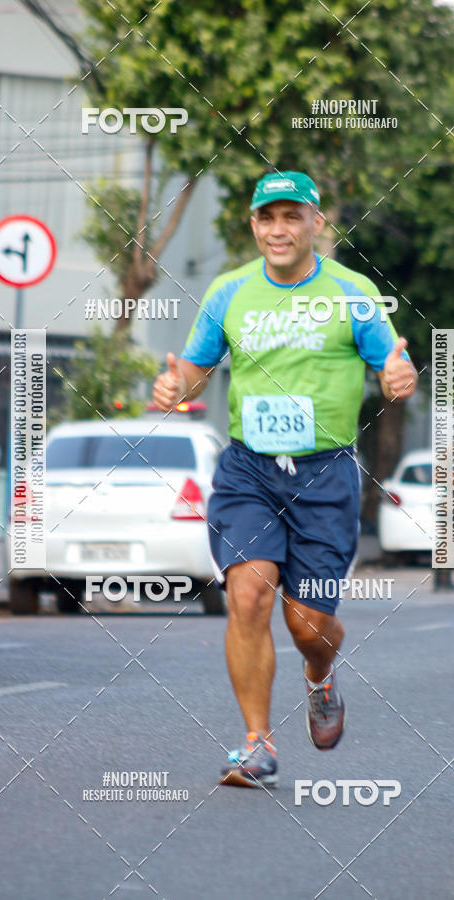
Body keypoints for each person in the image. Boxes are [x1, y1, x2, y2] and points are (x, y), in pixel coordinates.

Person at [152, 171, 417, 788]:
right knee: (247, 595)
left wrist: (398, 376)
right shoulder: (229, 292)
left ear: (316, 224)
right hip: (248, 468)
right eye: (267, 218)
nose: (278, 229)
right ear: (253, 225)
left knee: (308, 626)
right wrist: (174, 387)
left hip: (324, 476)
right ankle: (255, 744)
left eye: (292, 217)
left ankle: (320, 676)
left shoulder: (353, 293)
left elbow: (391, 367)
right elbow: (193, 373)